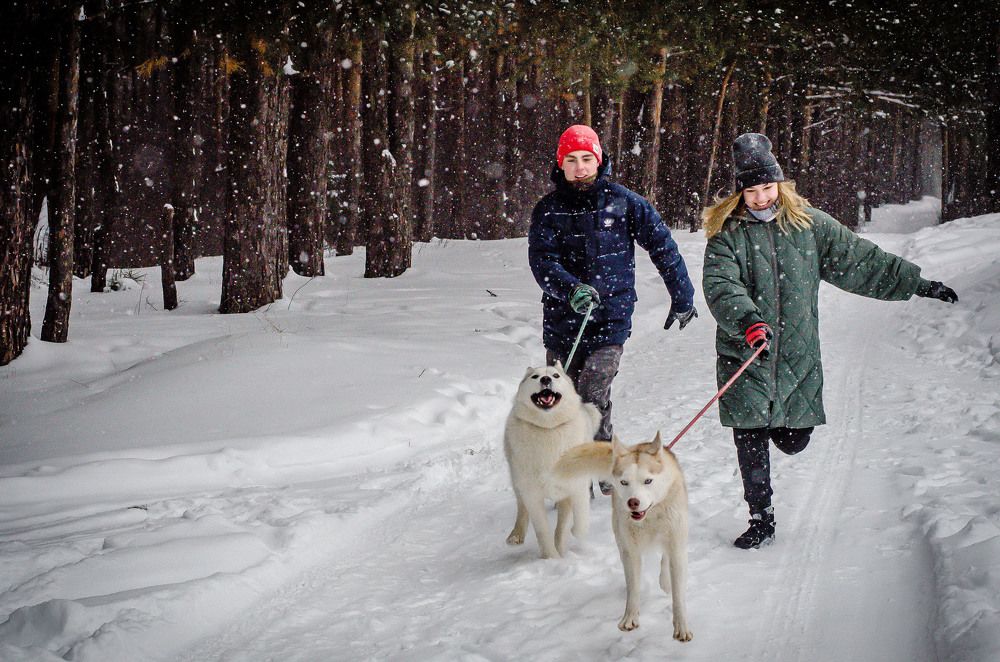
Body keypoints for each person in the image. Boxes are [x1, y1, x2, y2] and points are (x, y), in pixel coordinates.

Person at [702, 132, 959, 549]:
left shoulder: (808, 225)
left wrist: (918, 284)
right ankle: (761, 517)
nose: (761, 198)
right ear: (739, 193)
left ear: (779, 183)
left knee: (793, 439)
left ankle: (779, 428)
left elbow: (862, 260)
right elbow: (720, 285)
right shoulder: (726, 234)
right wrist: (748, 321)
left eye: (767, 187)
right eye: (751, 191)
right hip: (746, 350)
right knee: (749, 434)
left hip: (796, 353)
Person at [528, 124, 696, 494]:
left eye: (587, 159)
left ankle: (600, 463)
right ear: (560, 164)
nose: (580, 167)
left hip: (610, 318)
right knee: (562, 400)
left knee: (592, 391)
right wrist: (570, 290)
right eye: (571, 160)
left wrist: (682, 295)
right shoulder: (548, 210)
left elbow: (662, 245)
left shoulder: (624, 202)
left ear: (599, 160)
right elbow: (542, 262)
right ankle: (576, 470)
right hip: (562, 321)